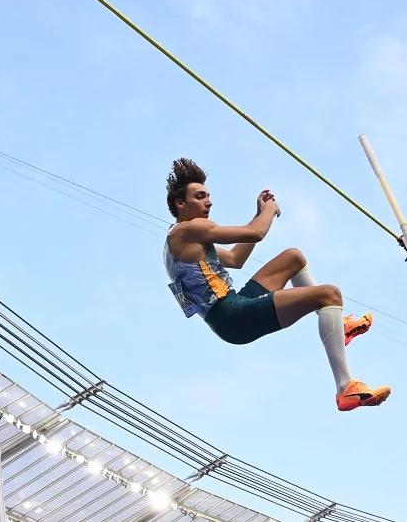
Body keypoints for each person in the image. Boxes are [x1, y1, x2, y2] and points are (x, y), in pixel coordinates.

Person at [162, 158, 391, 411]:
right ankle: (345, 387)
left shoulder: (183, 242)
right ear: (180, 203)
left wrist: (258, 215)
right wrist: (270, 209)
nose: (209, 201)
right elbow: (255, 233)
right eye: (200, 196)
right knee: (330, 293)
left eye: (208, 195)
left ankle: (339, 325)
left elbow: (236, 259)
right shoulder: (188, 229)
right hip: (230, 316)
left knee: (293, 257)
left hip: (233, 306)